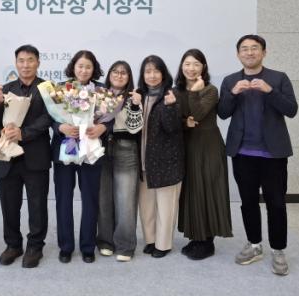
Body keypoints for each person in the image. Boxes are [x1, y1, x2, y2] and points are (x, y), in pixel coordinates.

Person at [218, 34, 298, 276]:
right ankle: (254, 245)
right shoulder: (230, 80)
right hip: (242, 152)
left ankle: (278, 249)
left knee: (276, 203)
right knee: (248, 202)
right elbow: (223, 113)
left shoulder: (278, 78)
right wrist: (233, 92)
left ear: (264, 52)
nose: (249, 52)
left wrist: (269, 91)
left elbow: (291, 110)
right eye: (244, 49)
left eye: (254, 48)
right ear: (238, 54)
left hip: (273, 154)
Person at [0, 44, 52, 268]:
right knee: (9, 205)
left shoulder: (47, 88)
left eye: (30, 60)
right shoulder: (5, 89)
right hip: (7, 157)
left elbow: (50, 118)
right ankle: (13, 245)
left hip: (36, 156)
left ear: (38, 62)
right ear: (16, 63)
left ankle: (35, 246)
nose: (26, 65)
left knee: (37, 205)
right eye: (21, 61)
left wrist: (24, 133)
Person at [51, 50, 112, 264]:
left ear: (93, 69)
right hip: (65, 149)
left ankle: (88, 246)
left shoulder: (102, 91)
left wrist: (103, 127)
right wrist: (61, 127)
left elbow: (110, 118)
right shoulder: (60, 89)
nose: (84, 70)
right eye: (80, 66)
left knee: (90, 199)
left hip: (90, 150)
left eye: (88, 66)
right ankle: (66, 246)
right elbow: (50, 116)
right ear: (73, 67)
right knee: (63, 199)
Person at [175, 49, 232, 260]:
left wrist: (194, 92)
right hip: (187, 146)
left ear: (203, 67)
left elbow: (197, 114)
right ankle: (196, 237)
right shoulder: (176, 91)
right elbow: (176, 119)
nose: (191, 68)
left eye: (196, 64)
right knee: (192, 191)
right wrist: (185, 122)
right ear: (182, 66)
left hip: (209, 146)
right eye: (187, 64)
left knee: (208, 190)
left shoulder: (210, 90)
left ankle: (207, 241)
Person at [133, 55, 184, 258]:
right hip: (143, 160)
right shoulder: (138, 95)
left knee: (166, 206)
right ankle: (151, 240)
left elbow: (173, 128)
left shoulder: (172, 94)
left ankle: (163, 244)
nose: (152, 75)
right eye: (148, 71)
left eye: (156, 71)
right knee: (146, 206)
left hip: (166, 161)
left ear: (163, 74)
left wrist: (170, 107)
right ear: (142, 75)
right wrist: (134, 105)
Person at [96, 61, 141, 262]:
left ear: (129, 77)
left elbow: (135, 128)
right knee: (103, 198)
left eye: (124, 73)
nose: (119, 75)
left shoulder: (134, 96)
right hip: (101, 147)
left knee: (125, 200)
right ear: (109, 74)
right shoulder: (99, 95)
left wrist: (135, 105)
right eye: (115, 71)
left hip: (126, 148)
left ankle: (125, 245)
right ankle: (105, 241)